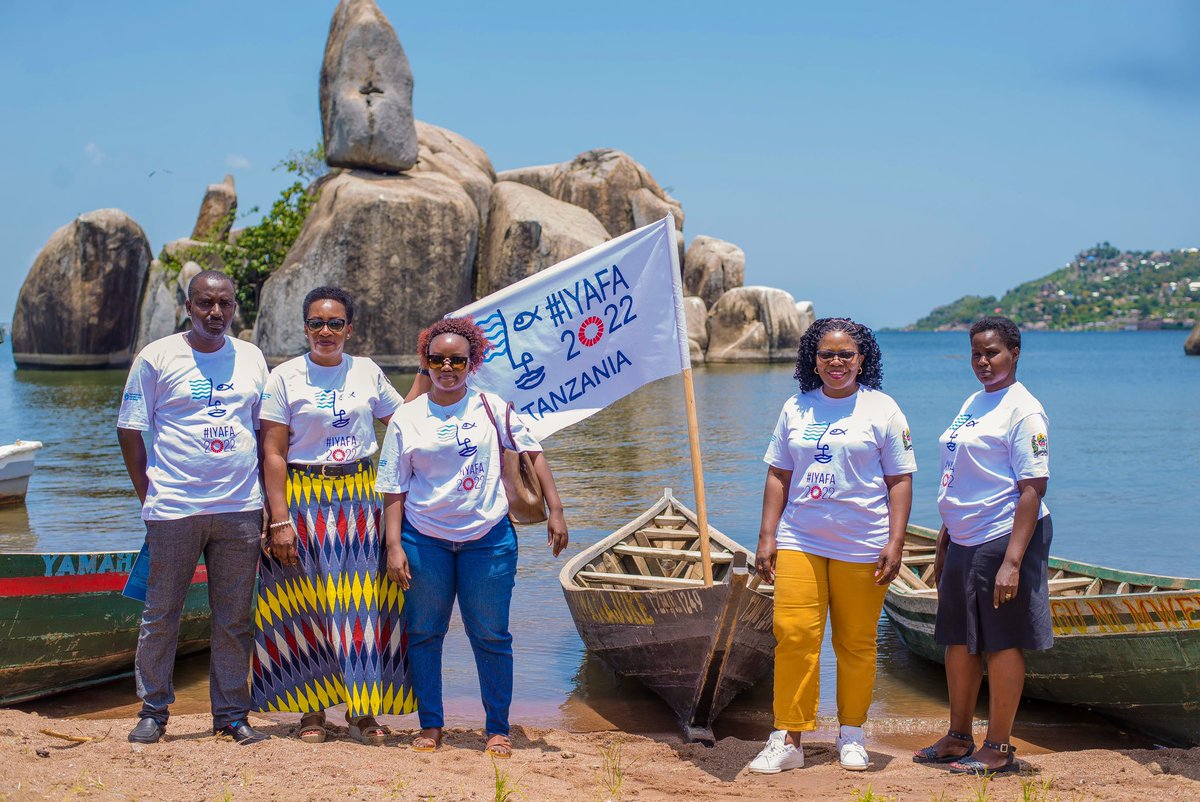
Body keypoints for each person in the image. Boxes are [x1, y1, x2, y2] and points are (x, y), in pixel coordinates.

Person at [376, 316, 568, 759]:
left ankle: (497, 728)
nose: (447, 367)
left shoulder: (491, 407)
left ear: (472, 362)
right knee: (425, 632)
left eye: (457, 360)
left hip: (489, 538)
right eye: (437, 359)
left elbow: (533, 452)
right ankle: (431, 725)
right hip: (425, 539)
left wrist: (556, 510)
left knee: (491, 635)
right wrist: (394, 545)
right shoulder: (408, 417)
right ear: (425, 362)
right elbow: (393, 486)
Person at [252, 286, 421, 744]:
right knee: (305, 601)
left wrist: (427, 368)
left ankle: (364, 712)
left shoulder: (366, 371)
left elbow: (405, 422)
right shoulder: (284, 377)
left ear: (350, 328)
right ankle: (312, 711)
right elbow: (272, 452)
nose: (325, 332)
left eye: (335, 323)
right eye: (316, 324)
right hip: (303, 495)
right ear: (305, 327)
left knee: (364, 602)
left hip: (361, 495)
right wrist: (279, 519)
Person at [749, 317, 915, 774]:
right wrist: (767, 536)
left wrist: (895, 541)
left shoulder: (883, 410)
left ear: (862, 359)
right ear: (813, 360)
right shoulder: (796, 409)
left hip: (862, 543)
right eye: (827, 354)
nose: (836, 362)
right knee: (795, 635)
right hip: (800, 538)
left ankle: (852, 734)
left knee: (855, 643)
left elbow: (900, 480)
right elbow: (779, 474)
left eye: (846, 354)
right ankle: (789, 739)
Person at [117, 269, 271, 745]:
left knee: (234, 617)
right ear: (189, 306)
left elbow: (266, 431)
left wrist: (268, 502)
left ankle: (230, 714)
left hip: (241, 508)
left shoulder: (251, 357)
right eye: (205, 303)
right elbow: (129, 429)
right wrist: (150, 495)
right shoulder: (157, 357)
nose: (216, 313)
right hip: (174, 508)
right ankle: (153, 711)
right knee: (162, 613)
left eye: (224, 303)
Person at [914, 316, 1051, 775]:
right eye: (976, 353)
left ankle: (998, 747)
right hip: (964, 537)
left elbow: (1032, 488)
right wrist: (945, 534)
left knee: (1002, 642)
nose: (983, 361)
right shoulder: (976, 400)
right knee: (958, 640)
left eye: (992, 352)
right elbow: (965, 475)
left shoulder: (1024, 410)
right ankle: (957, 737)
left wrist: (1012, 561)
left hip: (1004, 536)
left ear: (1014, 352)